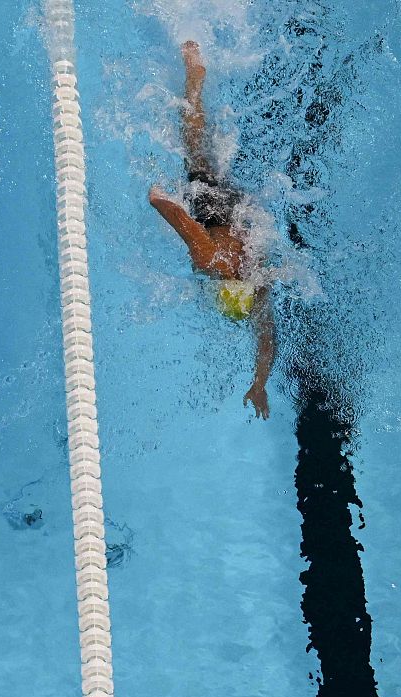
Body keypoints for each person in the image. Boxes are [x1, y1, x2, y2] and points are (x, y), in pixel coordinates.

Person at [148, 40, 276, 419]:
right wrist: (157, 195)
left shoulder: (259, 281)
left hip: (239, 211)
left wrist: (260, 383)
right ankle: (195, 81)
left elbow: (267, 340)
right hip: (213, 209)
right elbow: (175, 214)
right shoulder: (212, 262)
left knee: (214, 161)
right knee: (195, 151)